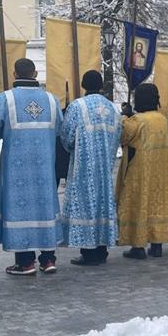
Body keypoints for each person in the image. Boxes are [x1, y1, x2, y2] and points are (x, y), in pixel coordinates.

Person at [0, 58, 63, 276]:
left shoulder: (4, 99)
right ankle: (48, 259)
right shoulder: (51, 100)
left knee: (19, 209)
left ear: (14, 74)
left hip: (15, 169)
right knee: (44, 208)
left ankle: (25, 262)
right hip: (44, 167)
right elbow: (58, 128)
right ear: (35, 73)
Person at [60, 70, 121, 266]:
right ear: (101, 85)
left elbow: (67, 136)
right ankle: (101, 250)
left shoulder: (77, 106)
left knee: (85, 205)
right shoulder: (112, 108)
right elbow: (118, 135)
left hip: (82, 166)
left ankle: (88, 252)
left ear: (84, 84)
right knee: (102, 203)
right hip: (105, 166)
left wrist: (72, 149)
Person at [116, 83, 168, 259]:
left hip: (140, 170)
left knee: (138, 204)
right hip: (161, 170)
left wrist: (125, 116)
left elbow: (124, 136)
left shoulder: (137, 121)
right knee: (157, 205)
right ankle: (157, 246)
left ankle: (138, 246)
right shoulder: (163, 119)